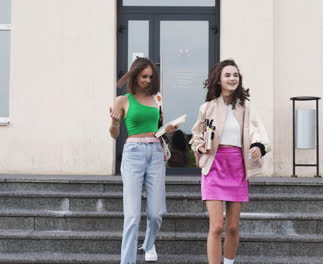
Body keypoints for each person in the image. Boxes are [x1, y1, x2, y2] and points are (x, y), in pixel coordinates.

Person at [189, 59, 271, 264]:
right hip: (214, 167)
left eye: (235, 75)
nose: (232, 78)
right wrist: (200, 146)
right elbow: (195, 136)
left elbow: (259, 132)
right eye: (228, 75)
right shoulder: (207, 107)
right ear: (218, 80)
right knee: (216, 227)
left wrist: (258, 147)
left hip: (237, 168)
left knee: (233, 227)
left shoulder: (246, 107)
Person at [109, 57, 177, 264]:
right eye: (143, 76)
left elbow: (159, 128)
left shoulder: (157, 98)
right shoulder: (123, 100)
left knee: (156, 213)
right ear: (135, 75)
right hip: (133, 153)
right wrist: (114, 121)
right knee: (132, 216)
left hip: (155, 152)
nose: (147, 80)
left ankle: (148, 244)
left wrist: (168, 129)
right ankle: (127, 261)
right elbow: (114, 134)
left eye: (150, 76)